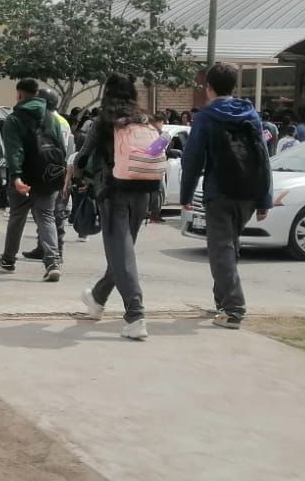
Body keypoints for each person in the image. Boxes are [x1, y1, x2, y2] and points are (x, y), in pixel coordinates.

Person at [179, 62, 273, 330]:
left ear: (208, 87)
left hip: (219, 192)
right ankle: (223, 302)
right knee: (229, 248)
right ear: (234, 86)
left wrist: (186, 195)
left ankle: (233, 309)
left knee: (221, 251)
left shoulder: (206, 117)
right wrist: (265, 198)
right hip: (248, 192)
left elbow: (193, 159)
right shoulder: (251, 113)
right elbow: (263, 157)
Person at [76, 74, 159, 340]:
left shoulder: (105, 120)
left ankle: (136, 316)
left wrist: (78, 173)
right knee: (123, 253)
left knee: (121, 255)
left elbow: (82, 157)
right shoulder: (144, 119)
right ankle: (98, 298)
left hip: (114, 193)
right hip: (143, 190)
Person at [0, 78, 67, 281]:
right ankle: (52, 261)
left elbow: (14, 150)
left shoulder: (14, 119)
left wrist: (16, 176)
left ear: (19, 94)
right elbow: (60, 147)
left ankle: (9, 259)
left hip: (25, 176)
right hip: (49, 174)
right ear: (37, 94)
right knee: (46, 216)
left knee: (17, 216)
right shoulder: (51, 116)